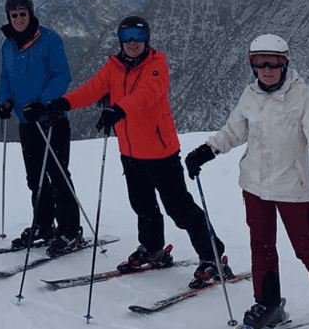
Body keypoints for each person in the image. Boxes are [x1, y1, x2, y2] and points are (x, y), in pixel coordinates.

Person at [183, 34, 309, 329]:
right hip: (254, 187)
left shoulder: (301, 97)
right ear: (252, 65)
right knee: (261, 249)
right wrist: (205, 152)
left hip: (292, 189)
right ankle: (268, 305)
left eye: (274, 62)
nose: (267, 69)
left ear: (285, 63)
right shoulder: (250, 96)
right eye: (259, 62)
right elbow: (233, 132)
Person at [47, 16, 232, 289]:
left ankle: (213, 258)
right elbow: (91, 90)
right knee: (143, 206)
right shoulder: (114, 67)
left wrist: (118, 109)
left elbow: (147, 95)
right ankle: (152, 249)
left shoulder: (157, 66)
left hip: (162, 153)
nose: (133, 42)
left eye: (138, 36)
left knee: (180, 209)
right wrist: (62, 103)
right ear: (120, 39)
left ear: (147, 39)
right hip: (131, 154)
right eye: (127, 36)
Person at [0, 0, 81, 256]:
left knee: (58, 176)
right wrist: (5, 101)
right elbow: (5, 78)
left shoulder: (49, 39)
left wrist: (43, 103)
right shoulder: (8, 45)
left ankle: (70, 230)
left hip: (51, 120)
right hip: (26, 121)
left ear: (31, 13)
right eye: (14, 15)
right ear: (8, 17)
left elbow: (62, 76)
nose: (19, 19)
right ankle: (44, 225)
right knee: (35, 178)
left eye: (23, 14)